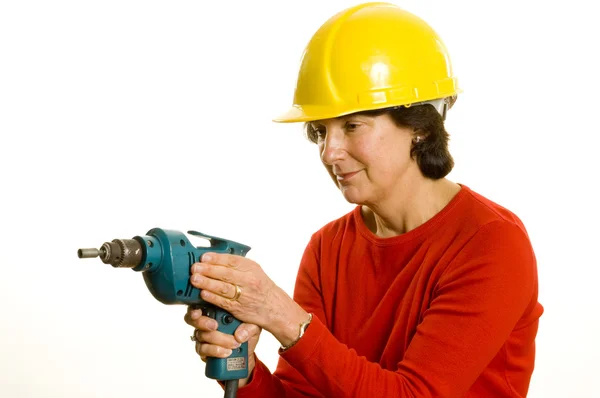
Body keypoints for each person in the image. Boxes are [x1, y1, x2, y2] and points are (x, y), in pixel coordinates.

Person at [184, 2, 543, 397]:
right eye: (320, 131)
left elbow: (414, 395)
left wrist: (283, 317)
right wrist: (246, 372)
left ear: (420, 126)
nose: (329, 151)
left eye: (352, 126)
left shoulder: (491, 243)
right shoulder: (327, 249)